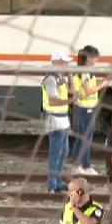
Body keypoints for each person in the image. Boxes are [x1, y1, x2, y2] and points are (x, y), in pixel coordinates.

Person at [71, 45, 111, 175]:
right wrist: (104, 84)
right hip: (86, 108)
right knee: (86, 139)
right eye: (95, 57)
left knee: (81, 138)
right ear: (88, 58)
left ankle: (77, 165)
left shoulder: (82, 71)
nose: (96, 60)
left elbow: (89, 85)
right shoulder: (85, 72)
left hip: (81, 108)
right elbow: (88, 91)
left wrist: (102, 81)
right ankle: (86, 166)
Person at [42, 50, 75, 193]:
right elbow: (52, 100)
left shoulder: (60, 78)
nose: (67, 64)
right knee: (56, 153)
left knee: (63, 152)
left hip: (63, 119)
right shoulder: (50, 80)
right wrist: (70, 100)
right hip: (54, 119)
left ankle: (57, 181)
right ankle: (52, 184)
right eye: (64, 62)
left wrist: (70, 76)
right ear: (56, 63)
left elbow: (73, 91)